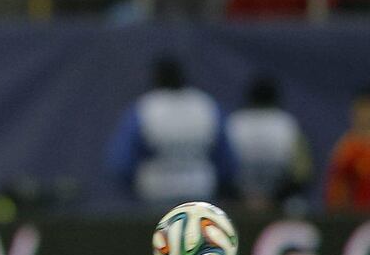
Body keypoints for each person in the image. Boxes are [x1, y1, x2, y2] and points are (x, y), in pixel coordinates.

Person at [106, 56, 236, 205]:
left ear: (156, 78)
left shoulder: (144, 108)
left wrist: (132, 185)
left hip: (156, 189)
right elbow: (227, 160)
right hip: (200, 187)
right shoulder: (206, 106)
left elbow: (122, 162)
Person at [226, 75, 312, 212]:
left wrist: (247, 199)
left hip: (241, 203)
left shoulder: (234, 124)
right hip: (279, 204)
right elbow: (302, 172)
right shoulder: (287, 125)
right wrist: (272, 200)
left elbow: (224, 170)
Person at [325, 87, 370, 211]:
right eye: (361, 109)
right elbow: (336, 188)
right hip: (357, 217)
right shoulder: (346, 148)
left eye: (367, 109)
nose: (365, 115)